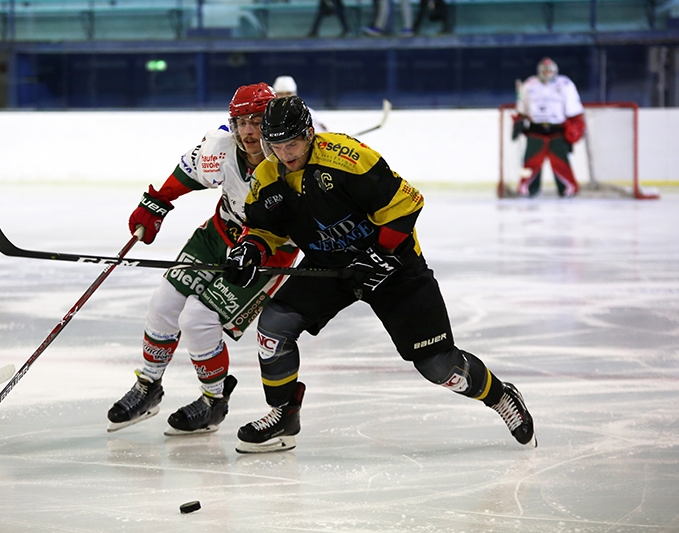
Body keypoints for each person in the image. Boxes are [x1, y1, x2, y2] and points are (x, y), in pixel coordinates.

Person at [222, 96, 537, 454]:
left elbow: (406, 202)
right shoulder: (267, 178)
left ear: (309, 134)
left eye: (291, 143)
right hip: (331, 266)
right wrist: (249, 250)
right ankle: (283, 413)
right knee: (274, 326)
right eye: (274, 146)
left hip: (394, 265)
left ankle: (500, 396)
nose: (284, 153)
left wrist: (381, 253)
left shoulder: (346, 157)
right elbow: (264, 231)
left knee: (439, 366)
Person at [106, 82, 298, 435]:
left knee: (198, 318)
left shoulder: (290, 158)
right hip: (219, 234)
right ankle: (148, 385)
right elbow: (189, 172)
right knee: (164, 303)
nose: (248, 131)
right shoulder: (221, 147)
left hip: (267, 251)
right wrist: (157, 203)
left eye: (256, 121)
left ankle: (214, 401)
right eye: (241, 122)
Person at [512, 57, 585, 197]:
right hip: (535, 130)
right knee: (529, 162)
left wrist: (575, 127)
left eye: (550, 70)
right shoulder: (529, 84)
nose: (547, 73)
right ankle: (527, 188)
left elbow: (574, 110)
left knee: (561, 162)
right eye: (544, 70)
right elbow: (522, 108)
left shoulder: (565, 84)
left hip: (557, 131)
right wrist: (519, 121)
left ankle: (566, 188)